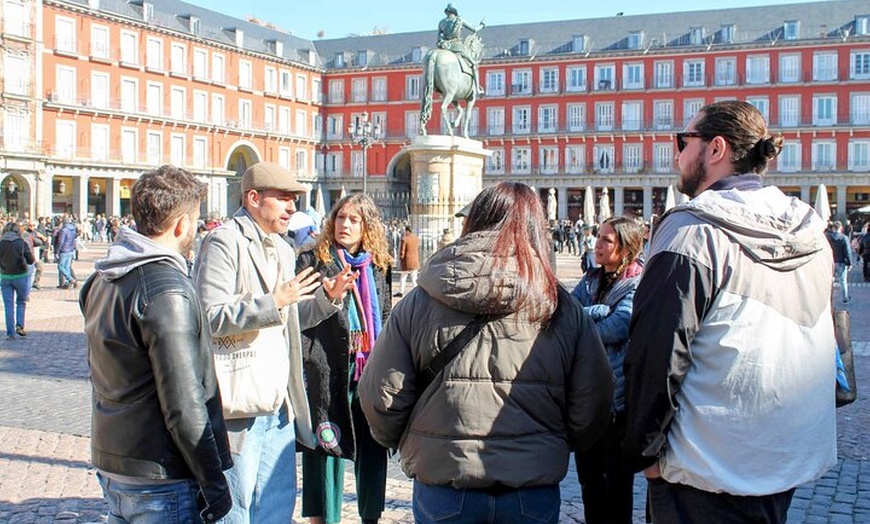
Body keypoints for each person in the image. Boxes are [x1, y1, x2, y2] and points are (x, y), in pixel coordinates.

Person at [623, 100, 837, 523]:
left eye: (683, 141)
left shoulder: (693, 231)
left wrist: (643, 452)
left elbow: (656, 354)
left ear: (716, 148)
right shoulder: (812, 234)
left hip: (704, 463)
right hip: (783, 456)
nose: (677, 154)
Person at [358, 181, 614, 524]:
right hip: (531, 484)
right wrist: (554, 442)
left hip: (446, 480)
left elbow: (381, 394)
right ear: (537, 228)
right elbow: (594, 397)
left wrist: (410, 442)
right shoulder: (561, 307)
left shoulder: (420, 301)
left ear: (473, 221)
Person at [194, 162, 356, 524]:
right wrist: (274, 301)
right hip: (241, 399)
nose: (292, 208)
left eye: (294, 200)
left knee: (276, 505)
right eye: (283, 199)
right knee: (236, 507)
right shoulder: (223, 242)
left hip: (280, 400)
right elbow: (207, 316)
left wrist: (326, 301)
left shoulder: (284, 249)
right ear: (253, 198)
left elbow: (290, 319)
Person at [79, 165, 233, 523]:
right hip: (161, 471)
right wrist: (214, 481)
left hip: (115, 458)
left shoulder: (103, 277)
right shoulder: (165, 290)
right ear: (181, 224)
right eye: (195, 219)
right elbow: (183, 403)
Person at [298, 194, 392, 524]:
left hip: (368, 368)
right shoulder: (313, 259)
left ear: (367, 226)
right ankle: (323, 518)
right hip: (327, 367)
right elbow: (298, 318)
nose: (345, 225)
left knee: (372, 445)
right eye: (340, 218)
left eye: (354, 220)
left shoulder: (378, 265)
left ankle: (371, 516)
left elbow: (384, 312)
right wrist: (330, 297)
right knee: (326, 447)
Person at [570, 216, 644, 524]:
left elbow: (618, 327)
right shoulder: (590, 279)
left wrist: (589, 319)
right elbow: (567, 315)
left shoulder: (638, 281)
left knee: (617, 483)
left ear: (625, 248)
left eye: (606, 240)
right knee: (589, 480)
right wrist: (598, 311)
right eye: (598, 237)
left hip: (618, 400)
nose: (597, 245)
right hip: (587, 397)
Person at [437, 3, 485, 95]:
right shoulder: (460, 21)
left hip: (444, 49)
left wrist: (444, 43)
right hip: (457, 47)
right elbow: (474, 29)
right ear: (455, 11)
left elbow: (439, 38)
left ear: (447, 11)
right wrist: (482, 25)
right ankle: (477, 88)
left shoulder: (441, 22)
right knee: (474, 65)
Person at [0, 222, 35, 340]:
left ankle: (10, 333)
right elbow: (31, 260)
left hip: (5, 277)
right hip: (20, 275)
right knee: (21, 302)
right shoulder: (21, 243)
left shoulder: (1, 243)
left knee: (8, 306)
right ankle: (20, 326)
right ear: (17, 232)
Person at [826, 220, 852, 303]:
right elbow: (847, 251)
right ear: (840, 228)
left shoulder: (827, 237)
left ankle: (828, 298)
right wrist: (849, 263)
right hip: (841, 262)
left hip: (830, 261)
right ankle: (845, 297)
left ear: (833, 228)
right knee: (843, 281)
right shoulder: (844, 238)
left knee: (830, 280)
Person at [55, 216, 78, 288]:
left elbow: (61, 241)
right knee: (67, 267)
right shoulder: (73, 229)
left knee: (60, 266)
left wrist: (57, 251)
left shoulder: (64, 230)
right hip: (70, 250)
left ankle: (70, 279)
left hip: (64, 250)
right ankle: (67, 283)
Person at [397, 225, 420, 297]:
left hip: (406, 261)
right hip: (415, 260)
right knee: (414, 277)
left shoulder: (404, 239)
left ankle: (401, 292)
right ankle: (416, 291)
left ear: (407, 231)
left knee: (403, 277)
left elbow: (402, 251)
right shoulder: (416, 239)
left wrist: (401, 258)